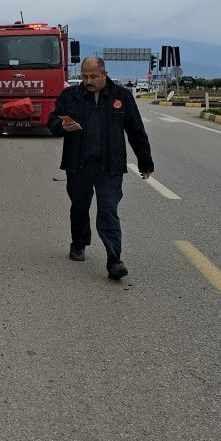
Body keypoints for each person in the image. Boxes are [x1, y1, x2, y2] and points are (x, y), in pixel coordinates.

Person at [48, 56, 154, 281]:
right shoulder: (71, 96)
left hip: (110, 167)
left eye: (93, 76)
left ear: (104, 74)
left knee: (108, 212)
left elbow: (135, 131)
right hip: (79, 166)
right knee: (79, 208)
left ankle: (114, 260)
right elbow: (52, 122)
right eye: (85, 76)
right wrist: (62, 126)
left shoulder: (121, 97)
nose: (88, 80)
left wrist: (145, 162)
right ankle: (79, 243)